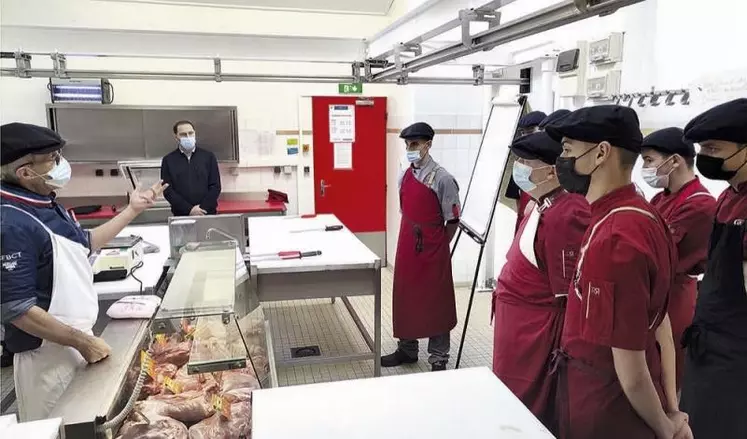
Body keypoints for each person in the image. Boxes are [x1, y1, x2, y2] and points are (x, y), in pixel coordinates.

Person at [0, 122, 165, 422]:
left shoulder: (45, 204)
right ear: (25, 172)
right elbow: (17, 309)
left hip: (75, 342)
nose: (62, 164)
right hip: (47, 360)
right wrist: (81, 341)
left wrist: (132, 210)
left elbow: (85, 244)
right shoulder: (10, 222)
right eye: (53, 158)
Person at [544, 106, 691, 439]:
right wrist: (670, 406)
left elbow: (631, 368)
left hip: (607, 407)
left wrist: (666, 428)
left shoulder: (615, 238)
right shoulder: (641, 214)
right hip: (620, 395)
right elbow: (659, 324)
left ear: (601, 153)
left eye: (567, 150)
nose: (561, 161)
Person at [492, 132, 590, 430]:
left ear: (551, 170)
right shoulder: (542, 202)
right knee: (509, 397)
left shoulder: (566, 212)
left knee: (528, 404)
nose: (518, 167)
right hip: (518, 326)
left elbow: (567, 292)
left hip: (536, 332)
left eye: (524, 161)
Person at [679, 98, 747, 438]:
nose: (705, 156)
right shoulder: (729, 196)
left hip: (736, 359)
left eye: (714, 147)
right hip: (709, 344)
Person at [640, 127, 716, 391]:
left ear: (674, 161)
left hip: (674, 298)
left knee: (665, 375)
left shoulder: (700, 205)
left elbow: (655, 253)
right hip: (652, 294)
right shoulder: (660, 199)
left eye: (649, 160)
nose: (645, 168)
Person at [382, 122, 461, 372]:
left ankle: (438, 358)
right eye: (407, 145)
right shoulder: (405, 175)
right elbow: (405, 209)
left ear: (428, 145)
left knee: (435, 302)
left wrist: (437, 246)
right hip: (407, 245)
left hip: (433, 248)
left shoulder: (443, 178)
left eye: (414, 144)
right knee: (406, 297)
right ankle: (407, 349)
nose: (410, 149)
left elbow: (453, 219)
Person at [160, 120, 221, 216]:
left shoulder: (208, 157)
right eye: (183, 134)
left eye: (190, 133)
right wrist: (189, 209)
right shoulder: (168, 160)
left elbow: (215, 186)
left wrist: (202, 208)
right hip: (181, 215)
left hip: (207, 213)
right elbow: (167, 190)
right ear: (176, 137)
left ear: (195, 133)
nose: (188, 137)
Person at [508, 111, 549, 235]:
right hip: (524, 222)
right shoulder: (520, 161)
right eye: (523, 132)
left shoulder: (551, 159)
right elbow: (517, 196)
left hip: (544, 221)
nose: (526, 135)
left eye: (530, 130)